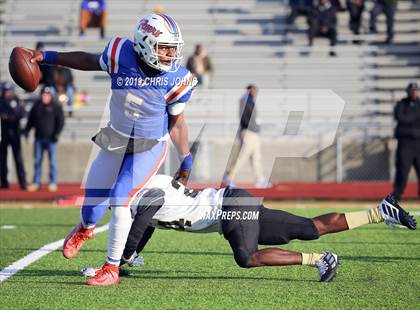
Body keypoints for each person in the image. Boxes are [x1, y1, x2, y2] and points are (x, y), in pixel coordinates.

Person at [29, 13, 197, 286]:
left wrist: (186, 158)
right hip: (116, 137)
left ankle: (111, 268)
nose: (170, 54)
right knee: (92, 201)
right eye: (164, 47)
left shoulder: (178, 79)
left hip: (149, 144)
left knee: (121, 197)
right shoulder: (121, 53)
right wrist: (47, 56)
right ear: (144, 44)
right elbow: (87, 60)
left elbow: (176, 123)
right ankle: (85, 229)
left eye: (172, 48)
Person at [100, 174, 416, 286]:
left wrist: (118, 261)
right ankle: (379, 212)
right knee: (309, 227)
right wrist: (130, 257)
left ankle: (319, 259)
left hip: (231, 207)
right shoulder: (146, 192)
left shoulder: (146, 193)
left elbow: (142, 222)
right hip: (236, 202)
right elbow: (149, 225)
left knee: (247, 257)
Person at [223, 85, 269, 188]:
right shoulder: (244, 100)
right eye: (252, 90)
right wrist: (253, 127)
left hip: (254, 133)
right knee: (243, 156)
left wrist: (256, 128)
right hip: (248, 132)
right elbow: (244, 118)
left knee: (256, 156)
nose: (254, 92)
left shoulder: (252, 101)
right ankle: (229, 177)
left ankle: (260, 179)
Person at [25, 86, 65, 192]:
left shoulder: (56, 107)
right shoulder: (36, 106)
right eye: (43, 94)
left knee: (52, 162)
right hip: (38, 138)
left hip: (51, 139)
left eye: (47, 95)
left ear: (50, 96)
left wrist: (56, 134)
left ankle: (52, 182)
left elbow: (60, 122)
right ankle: (36, 183)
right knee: (37, 162)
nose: (45, 96)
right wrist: (26, 131)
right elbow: (30, 121)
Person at [392, 82, 420, 200]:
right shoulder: (401, 104)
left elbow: (406, 118)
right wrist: (415, 115)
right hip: (405, 144)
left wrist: (410, 116)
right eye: (412, 90)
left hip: (418, 144)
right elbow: (401, 117)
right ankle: (397, 195)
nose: (415, 92)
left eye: (416, 90)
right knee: (402, 171)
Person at [0, 82, 27, 190]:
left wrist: (11, 117)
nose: (7, 93)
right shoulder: (1, 101)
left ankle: (23, 182)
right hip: (4, 134)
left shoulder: (17, 100)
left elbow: (22, 113)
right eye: (5, 91)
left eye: (9, 91)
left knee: (18, 159)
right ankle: (4, 182)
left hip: (15, 134)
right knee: (2, 160)